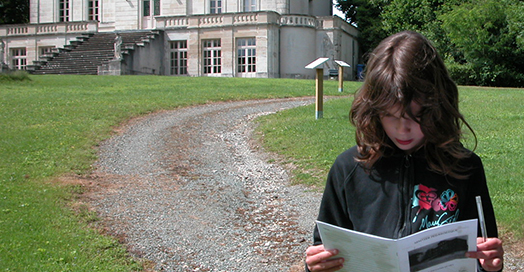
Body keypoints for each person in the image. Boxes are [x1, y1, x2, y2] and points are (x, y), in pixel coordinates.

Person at [305, 31, 504, 272]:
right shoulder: (349, 167)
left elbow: (483, 252)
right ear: (373, 110)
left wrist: (489, 265)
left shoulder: (464, 167)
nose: (403, 129)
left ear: (438, 107)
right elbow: (325, 247)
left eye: (417, 116)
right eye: (390, 115)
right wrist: (315, 265)